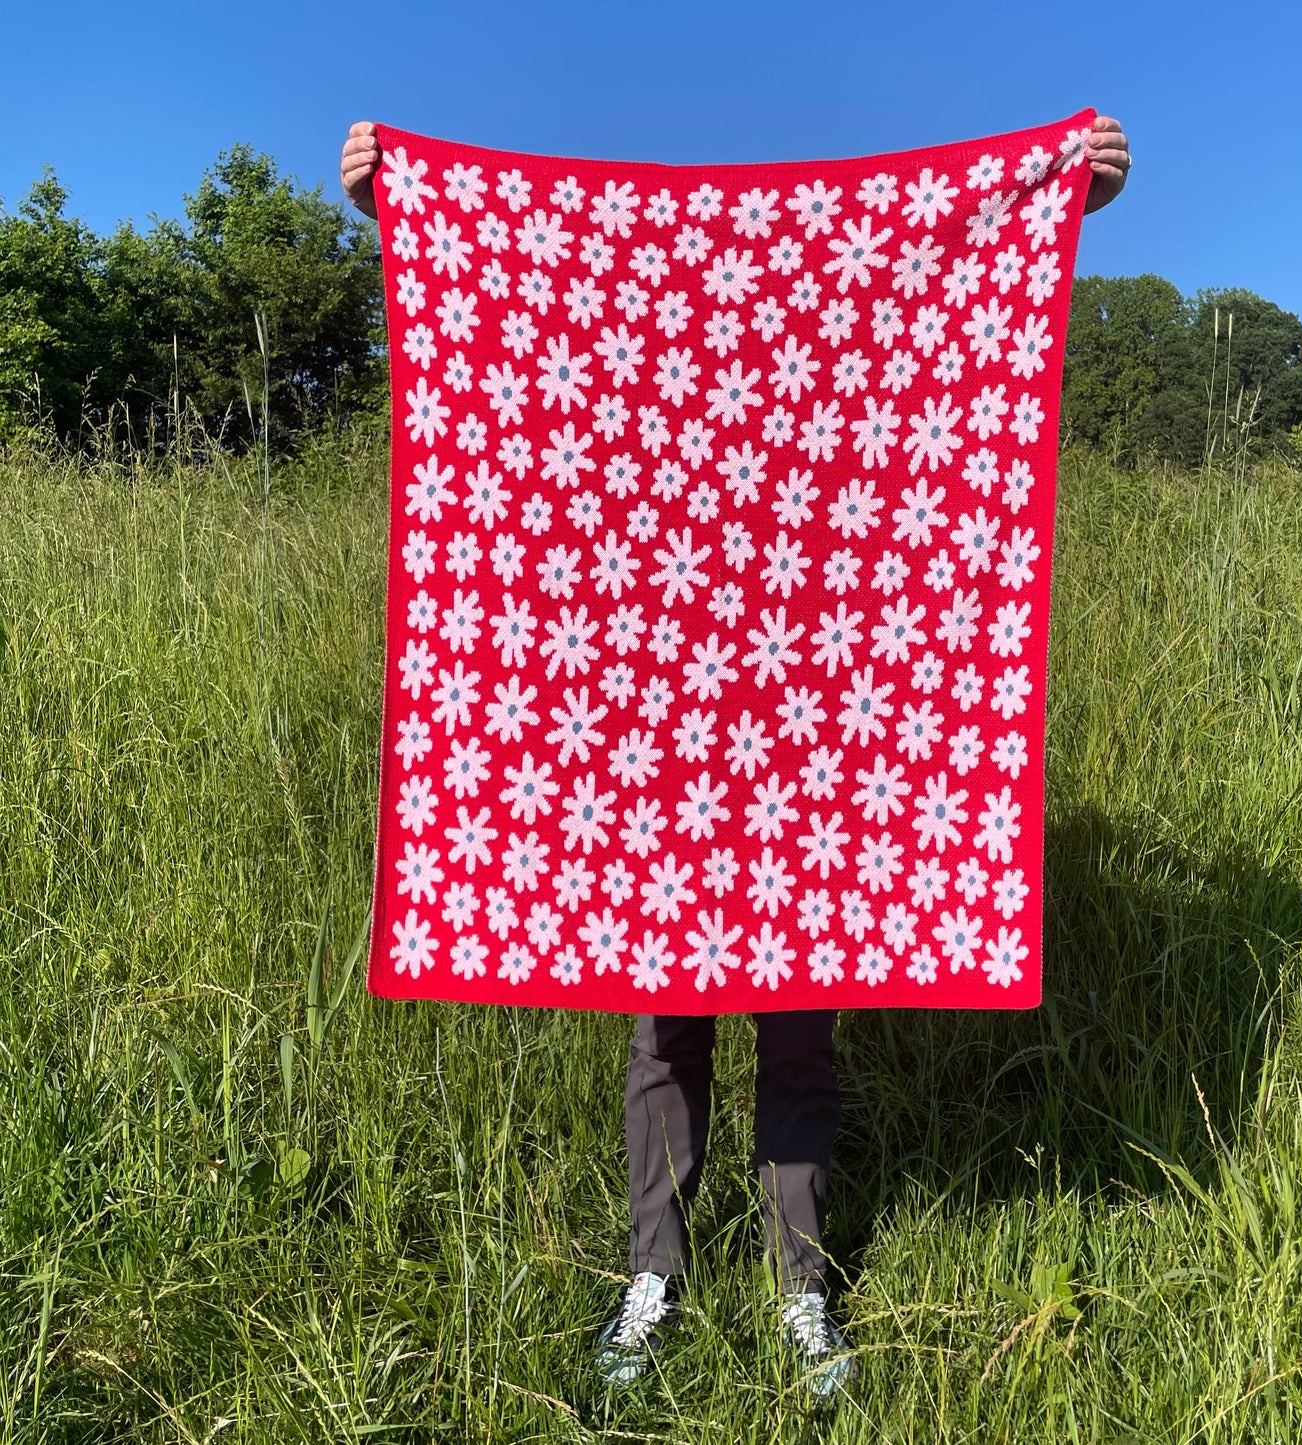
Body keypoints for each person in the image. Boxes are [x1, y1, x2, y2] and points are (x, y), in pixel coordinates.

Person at [340, 112, 1130, 1403]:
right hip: (662, 729)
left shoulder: (820, 306)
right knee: (664, 1031)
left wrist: (1056, 199)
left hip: (803, 733)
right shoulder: (641, 313)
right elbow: (535, 315)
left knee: (797, 1028)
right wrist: (408, 204)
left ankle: (800, 1282)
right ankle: (654, 1269)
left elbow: (931, 281)